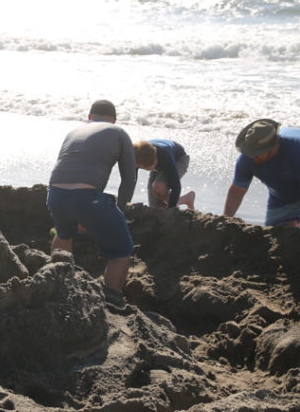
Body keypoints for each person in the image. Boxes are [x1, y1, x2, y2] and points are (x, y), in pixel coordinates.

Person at [47, 100, 137, 301]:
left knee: (63, 233)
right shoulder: (119, 133)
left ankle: (56, 281)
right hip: (86, 199)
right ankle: (112, 297)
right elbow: (129, 179)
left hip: (54, 195)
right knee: (122, 250)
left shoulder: (73, 132)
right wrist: (120, 212)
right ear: (113, 120)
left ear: (89, 117)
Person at [134, 139, 196, 210]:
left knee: (158, 186)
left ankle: (186, 199)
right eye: (148, 169)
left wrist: (170, 209)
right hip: (160, 165)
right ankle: (184, 199)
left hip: (179, 159)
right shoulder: (135, 156)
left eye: (153, 165)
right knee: (155, 207)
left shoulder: (165, 155)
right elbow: (131, 181)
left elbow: (176, 187)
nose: (152, 169)